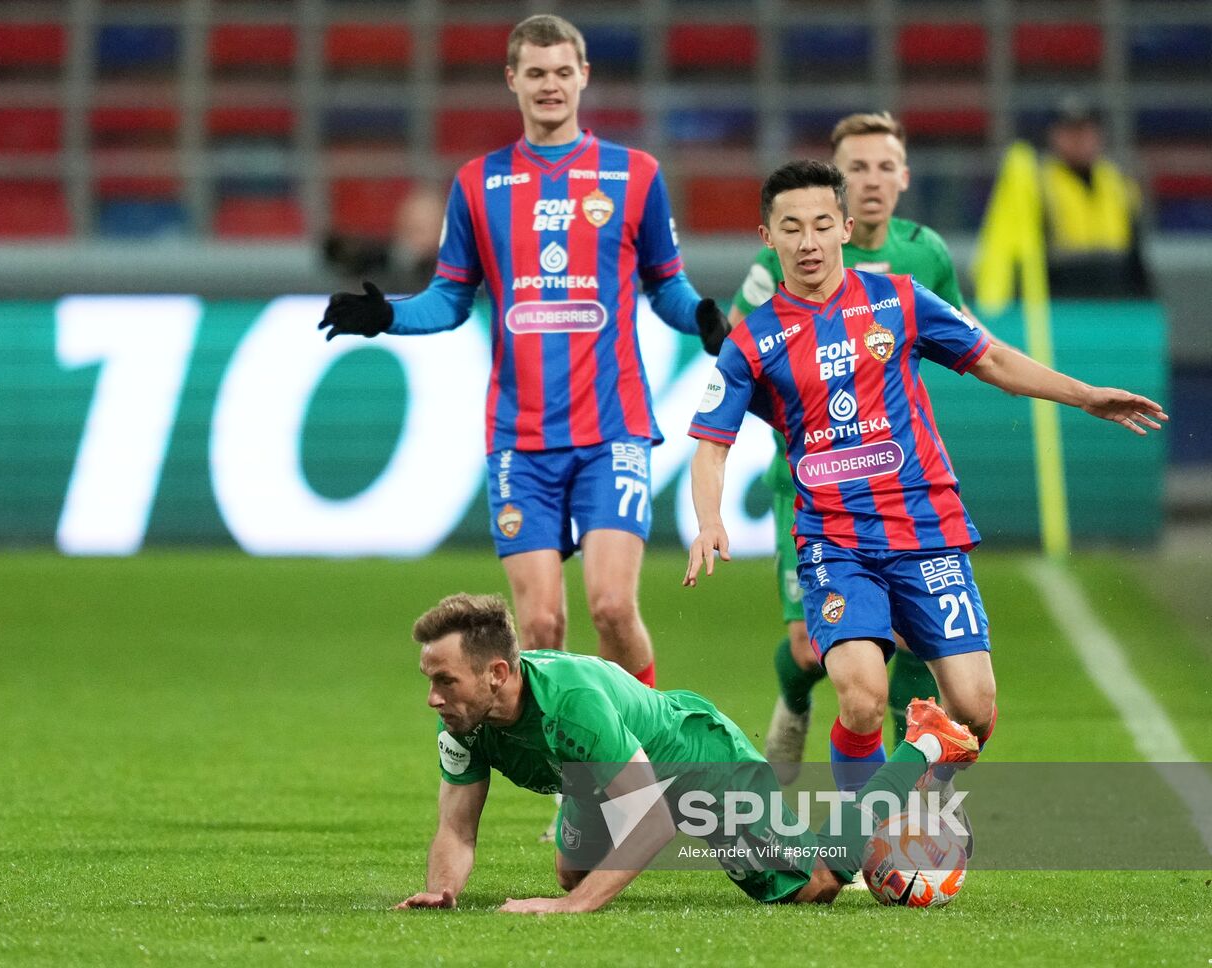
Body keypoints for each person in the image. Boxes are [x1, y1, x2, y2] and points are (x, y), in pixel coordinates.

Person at [685, 160, 1164, 799]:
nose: (808, 242)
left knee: (974, 708)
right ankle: (865, 836)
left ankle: (902, 805)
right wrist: (710, 519)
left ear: (845, 228)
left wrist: (1083, 396)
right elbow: (711, 445)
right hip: (834, 542)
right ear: (767, 237)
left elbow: (989, 356)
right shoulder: (752, 340)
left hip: (926, 530)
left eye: (822, 225)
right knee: (861, 697)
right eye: (791, 228)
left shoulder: (900, 300)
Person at [319, 14, 729, 690]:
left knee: (612, 607)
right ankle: (579, 780)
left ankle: (643, 753)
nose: (550, 85)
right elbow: (449, 300)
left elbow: (667, 287)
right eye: (535, 73)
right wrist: (385, 314)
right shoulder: (479, 184)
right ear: (512, 80)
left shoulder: (634, 175)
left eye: (562, 72)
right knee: (539, 628)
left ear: (584, 77)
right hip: (522, 438)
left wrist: (702, 318)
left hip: (611, 429)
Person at [395, 592, 979, 913]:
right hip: (595, 774)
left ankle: (926, 742)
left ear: (497, 673)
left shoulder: (572, 703)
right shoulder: (464, 724)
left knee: (816, 882)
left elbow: (654, 819)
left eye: (445, 681)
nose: (431, 698)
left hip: (697, 765)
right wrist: (443, 889)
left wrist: (572, 914)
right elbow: (457, 828)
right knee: (574, 873)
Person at [728, 112, 968, 783]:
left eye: (884, 166)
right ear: (836, 183)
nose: (871, 180)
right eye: (856, 168)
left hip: (895, 479)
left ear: (904, 177)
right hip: (809, 488)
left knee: (913, 637)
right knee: (810, 649)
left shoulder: (926, 257)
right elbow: (737, 355)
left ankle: (906, 799)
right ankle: (794, 697)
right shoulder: (788, 254)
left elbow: (956, 339)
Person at [1040, 98, 1153, 299]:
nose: (1079, 139)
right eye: (1070, 131)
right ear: (1054, 136)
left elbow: (1136, 252)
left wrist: (1146, 297)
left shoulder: (1118, 182)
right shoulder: (1040, 183)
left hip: (1117, 292)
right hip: (1062, 296)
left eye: (1085, 131)